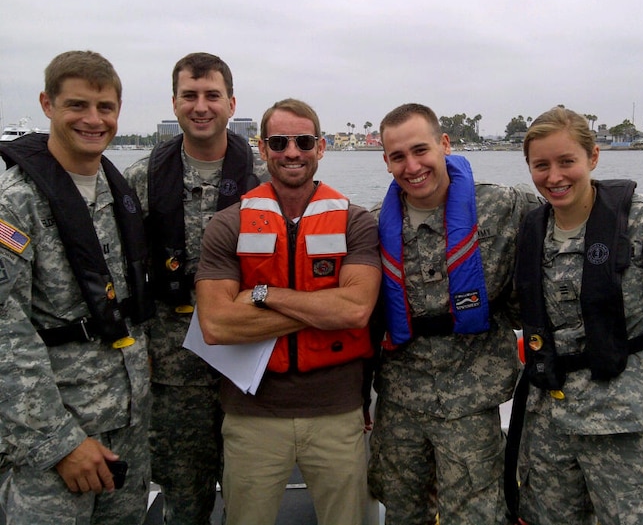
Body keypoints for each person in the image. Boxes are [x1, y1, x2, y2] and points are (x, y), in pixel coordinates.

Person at [366, 103, 643, 525]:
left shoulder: (504, 205)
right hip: (399, 398)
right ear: (386, 161)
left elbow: (574, 195)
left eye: (420, 150)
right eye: (398, 156)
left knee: (478, 515)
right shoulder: (372, 225)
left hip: (474, 397)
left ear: (444, 145)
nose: (412, 166)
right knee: (402, 508)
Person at [506, 106, 643, 525]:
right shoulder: (530, 228)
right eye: (541, 165)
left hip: (626, 424)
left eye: (567, 161)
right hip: (549, 425)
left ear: (593, 157)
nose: (554, 176)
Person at [194, 98, 381, 525]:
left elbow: (355, 312)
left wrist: (262, 293)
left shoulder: (356, 222)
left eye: (303, 141)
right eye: (279, 141)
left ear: (321, 147)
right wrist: (324, 307)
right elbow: (217, 323)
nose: (291, 151)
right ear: (262, 148)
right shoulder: (229, 224)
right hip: (251, 418)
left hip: (337, 414)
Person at [0, 50, 154, 524]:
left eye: (105, 107)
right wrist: (60, 442)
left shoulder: (118, 190)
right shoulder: (15, 206)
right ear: (47, 104)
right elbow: (6, 335)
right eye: (77, 106)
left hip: (127, 426)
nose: (93, 119)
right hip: (55, 443)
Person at [123, 52, 268, 525]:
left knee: (252, 495)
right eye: (190, 95)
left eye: (211, 96)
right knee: (185, 499)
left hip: (249, 367)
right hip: (173, 372)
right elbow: (120, 272)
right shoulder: (139, 180)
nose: (200, 106)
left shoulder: (264, 181)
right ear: (174, 102)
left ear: (231, 103)